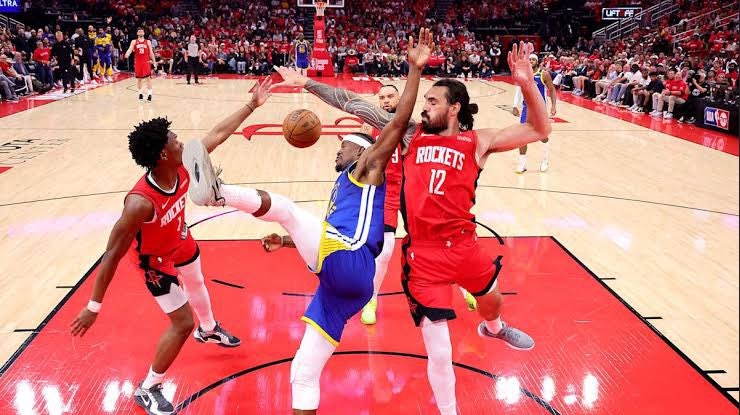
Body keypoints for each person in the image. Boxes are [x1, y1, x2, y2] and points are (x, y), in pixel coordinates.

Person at [273, 41, 547, 415]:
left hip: (465, 246)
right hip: (424, 257)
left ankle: (494, 328)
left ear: (454, 108)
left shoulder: (478, 141)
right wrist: (306, 82)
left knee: (492, 302)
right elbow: (353, 104)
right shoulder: (409, 135)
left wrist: (527, 84)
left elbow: (539, 128)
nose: (425, 106)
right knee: (441, 352)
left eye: (432, 101)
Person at [182, 28, 433, 415]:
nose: (337, 149)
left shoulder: (368, 165)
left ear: (361, 152)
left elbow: (397, 124)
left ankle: (218, 193)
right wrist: (286, 241)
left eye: (343, 145)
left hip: (351, 259)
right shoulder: (344, 181)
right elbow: (326, 230)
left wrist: (414, 70)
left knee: (286, 209)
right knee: (302, 374)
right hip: (343, 285)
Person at [68, 78, 275, 415]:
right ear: (163, 153)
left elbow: (217, 134)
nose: (182, 142)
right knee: (181, 323)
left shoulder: (182, 166)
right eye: (176, 140)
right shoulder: (139, 203)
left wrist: (252, 105)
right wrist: (93, 306)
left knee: (197, 281)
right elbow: (112, 254)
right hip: (154, 261)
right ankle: (148, 388)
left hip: (179, 238)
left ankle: (210, 330)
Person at [356, 84, 477, 325]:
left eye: (390, 96)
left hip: (414, 189)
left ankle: (466, 287)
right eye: (382, 98)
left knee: (440, 244)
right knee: (385, 250)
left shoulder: (413, 126)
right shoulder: (370, 126)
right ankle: (371, 300)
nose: (386, 101)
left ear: (400, 98)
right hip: (385, 191)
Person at [512, 53, 557, 173]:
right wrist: (515, 105)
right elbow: (518, 90)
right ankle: (522, 164)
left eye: (533, 59)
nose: (531, 61)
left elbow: (552, 90)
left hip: (539, 109)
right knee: (521, 136)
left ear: (537, 61)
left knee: (542, 136)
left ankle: (545, 160)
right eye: (530, 59)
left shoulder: (544, 74)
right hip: (526, 109)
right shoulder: (523, 75)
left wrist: (553, 106)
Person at [124, 28, 157, 102]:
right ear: (137, 33)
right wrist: (127, 53)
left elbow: (151, 52)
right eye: (139, 31)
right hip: (138, 62)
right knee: (139, 79)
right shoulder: (134, 41)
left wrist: (154, 61)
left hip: (146, 62)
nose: (141, 32)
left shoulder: (148, 41)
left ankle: (149, 95)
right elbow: (130, 49)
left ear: (144, 33)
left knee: (148, 78)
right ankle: (140, 94)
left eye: (142, 31)